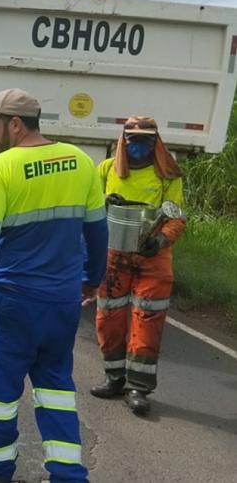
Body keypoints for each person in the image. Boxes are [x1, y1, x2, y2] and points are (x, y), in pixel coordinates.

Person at [0, 88, 107, 483]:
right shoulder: (81, 162)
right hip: (63, 302)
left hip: (12, 302)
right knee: (56, 388)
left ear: (15, 125)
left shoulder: (1, 169)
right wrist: (92, 279)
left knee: (0, 392)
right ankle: (69, 474)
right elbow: (99, 232)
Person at [88, 117, 185, 415]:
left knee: (147, 319)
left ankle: (138, 387)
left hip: (152, 257)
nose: (138, 146)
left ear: (155, 142)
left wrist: (161, 240)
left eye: (145, 141)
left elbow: (177, 216)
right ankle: (114, 378)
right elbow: (85, 201)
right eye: (133, 139)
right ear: (123, 140)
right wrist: (104, 199)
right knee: (109, 316)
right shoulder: (106, 170)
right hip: (114, 255)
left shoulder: (168, 175)